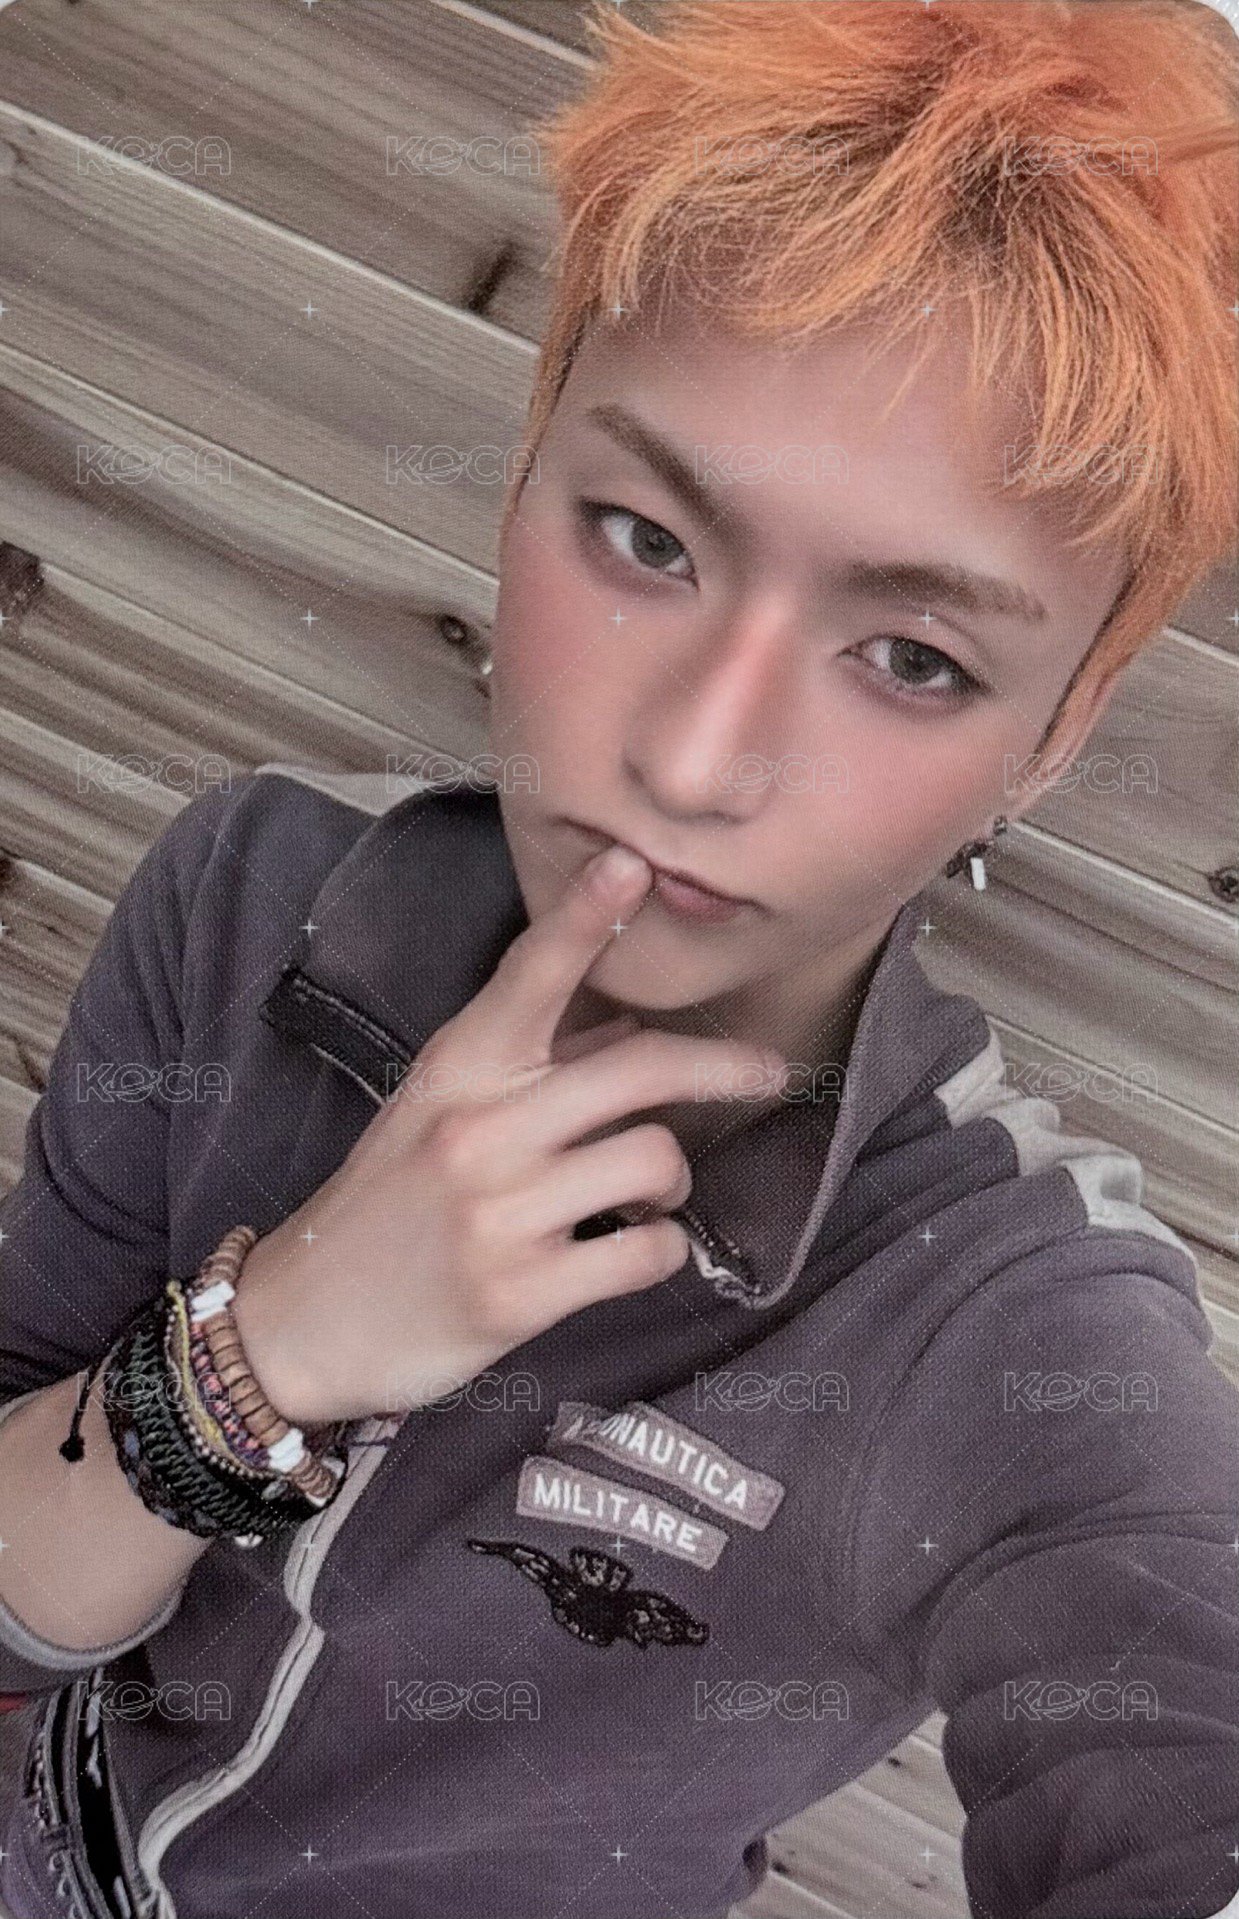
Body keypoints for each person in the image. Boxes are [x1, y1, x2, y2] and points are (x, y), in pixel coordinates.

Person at [1, 3, 1236, 1916]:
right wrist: (273, 1350)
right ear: (522, 472)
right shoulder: (253, 893)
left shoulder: (1001, 1320)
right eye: (647, 539)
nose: (695, 758)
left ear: (1056, 733)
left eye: (914, 659)